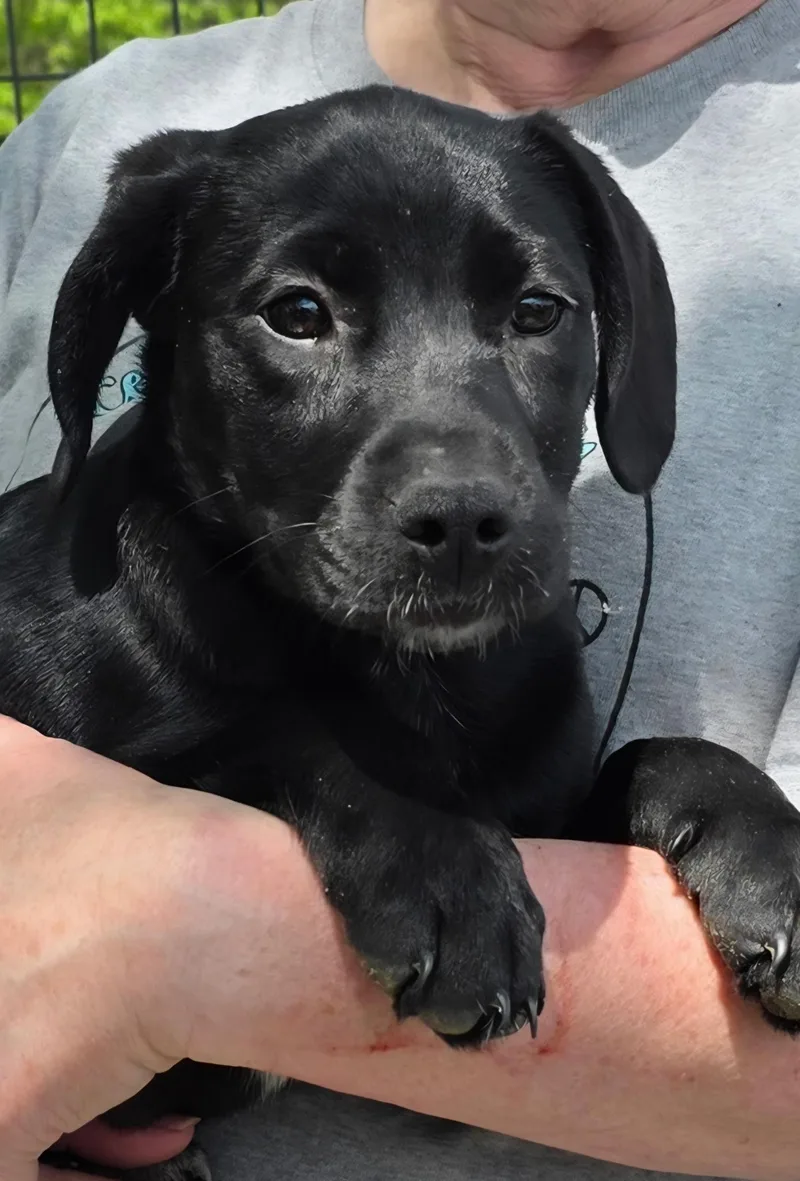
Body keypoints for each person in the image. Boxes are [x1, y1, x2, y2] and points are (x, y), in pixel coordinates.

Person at [0, 0, 798, 1178]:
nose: (460, 489)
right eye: (299, 314)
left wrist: (178, 935)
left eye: (532, 315)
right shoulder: (92, 130)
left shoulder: (530, 685)